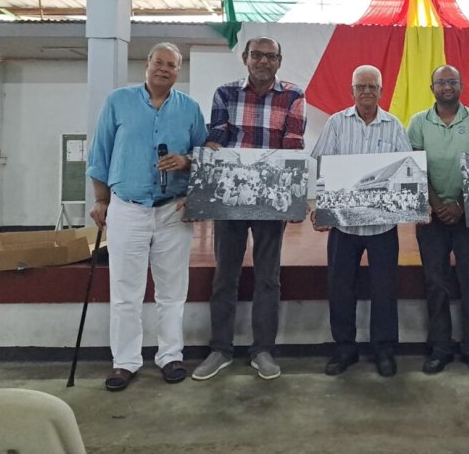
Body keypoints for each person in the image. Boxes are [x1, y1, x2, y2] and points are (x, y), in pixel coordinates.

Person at [87, 42, 206, 391]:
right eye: (159, 62)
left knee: (172, 291)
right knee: (126, 290)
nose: (164, 69)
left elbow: (203, 156)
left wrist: (187, 167)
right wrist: (100, 199)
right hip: (127, 207)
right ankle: (125, 362)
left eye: (171, 65)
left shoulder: (190, 109)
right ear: (147, 65)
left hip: (173, 210)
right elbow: (100, 154)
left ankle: (170, 357)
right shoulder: (117, 101)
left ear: (178, 72)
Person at [193, 37, 306, 381]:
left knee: (268, 278)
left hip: (271, 198)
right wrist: (205, 172)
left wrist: (293, 197)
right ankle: (220, 349)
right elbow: (216, 136)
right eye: (257, 55)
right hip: (230, 195)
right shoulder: (225, 93)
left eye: (270, 57)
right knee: (225, 274)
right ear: (245, 58)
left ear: (279, 61)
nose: (263, 62)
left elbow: (293, 146)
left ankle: (263, 350)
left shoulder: (293, 96)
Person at [310, 65, 412, 377]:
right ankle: (344, 348)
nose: (367, 92)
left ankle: (384, 349)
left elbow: (407, 166)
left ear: (382, 91)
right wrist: (317, 205)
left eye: (372, 87)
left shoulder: (394, 125)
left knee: (384, 288)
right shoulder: (336, 123)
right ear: (351, 90)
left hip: (382, 226)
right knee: (340, 287)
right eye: (361, 86)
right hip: (343, 225)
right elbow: (319, 165)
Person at [407, 65, 469, 376]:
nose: (446, 86)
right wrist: (437, 204)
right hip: (431, 216)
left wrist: (458, 204)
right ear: (432, 88)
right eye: (440, 82)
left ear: (461, 86)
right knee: (436, 285)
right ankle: (440, 349)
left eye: (452, 81)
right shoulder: (418, 122)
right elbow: (415, 168)